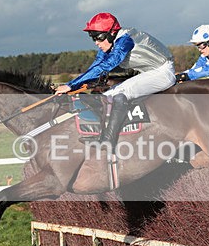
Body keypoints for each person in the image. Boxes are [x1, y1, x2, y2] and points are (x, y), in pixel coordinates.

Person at [54, 12, 175, 150]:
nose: (96, 43)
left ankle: (109, 140)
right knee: (108, 94)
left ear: (112, 32)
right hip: (151, 72)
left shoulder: (125, 40)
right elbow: (96, 65)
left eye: (98, 37)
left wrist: (70, 85)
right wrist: (73, 85)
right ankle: (103, 132)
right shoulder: (110, 43)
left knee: (120, 94)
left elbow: (108, 65)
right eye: (93, 38)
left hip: (163, 72)